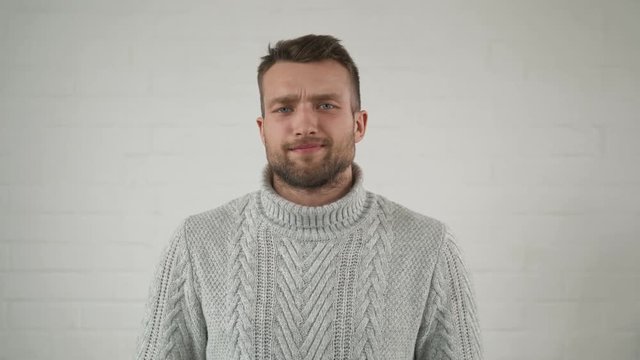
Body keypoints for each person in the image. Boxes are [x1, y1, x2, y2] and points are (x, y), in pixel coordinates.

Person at [135, 34, 483, 360]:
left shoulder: (429, 246)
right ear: (262, 129)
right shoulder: (197, 243)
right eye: (284, 109)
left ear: (358, 124)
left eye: (326, 105)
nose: (304, 124)